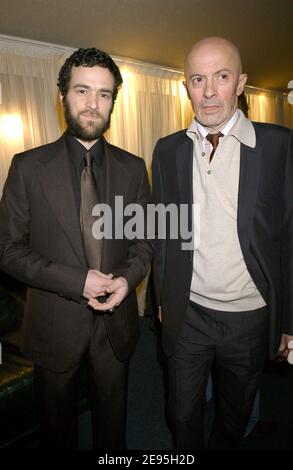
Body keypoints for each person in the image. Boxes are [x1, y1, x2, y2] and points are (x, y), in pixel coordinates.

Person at [0, 48, 152, 449]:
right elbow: (8, 250)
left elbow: (144, 242)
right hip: (53, 327)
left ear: (113, 102)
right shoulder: (27, 167)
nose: (92, 104)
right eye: (82, 90)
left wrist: (127, 279)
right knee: (57, 433)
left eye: (104, 94)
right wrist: (77, 281)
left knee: (112, 431)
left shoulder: (134, 168)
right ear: (63, 95)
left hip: (116, 328)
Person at [152, 36, 293, 450]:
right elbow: (165, 230)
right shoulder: (167, 150)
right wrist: (161, 295)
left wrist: (289, 321)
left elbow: (288, 234)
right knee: (181, 413)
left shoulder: (278, 146)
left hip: (249, 315)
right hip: (188, 311)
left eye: (222, 77)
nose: (209, 91)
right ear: (186, 86)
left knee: (234, 415)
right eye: (198, 79)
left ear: (241, 82)